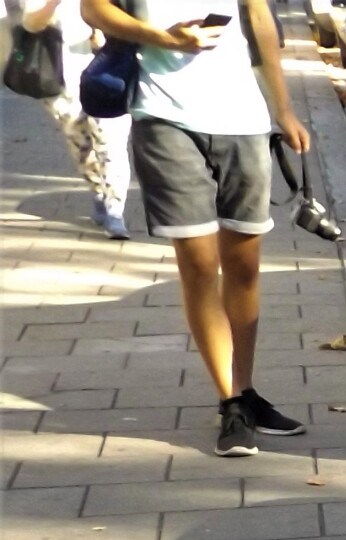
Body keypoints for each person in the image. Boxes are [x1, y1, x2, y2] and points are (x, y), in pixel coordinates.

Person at [80, 0, 310, 457]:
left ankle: (245, 390)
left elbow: (260, 20)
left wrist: (282, 108)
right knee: (200, 264)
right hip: (163, 118)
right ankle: (230, 402)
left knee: (244, 267)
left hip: (243, 119)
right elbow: (93, 10)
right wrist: (165, 39)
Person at [5, 0, 132, 237]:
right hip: (63, 78)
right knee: (81, 145)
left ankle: (115, 210)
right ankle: (98, 192)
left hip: (111, 72)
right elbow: (31, 25)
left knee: (111, 142)